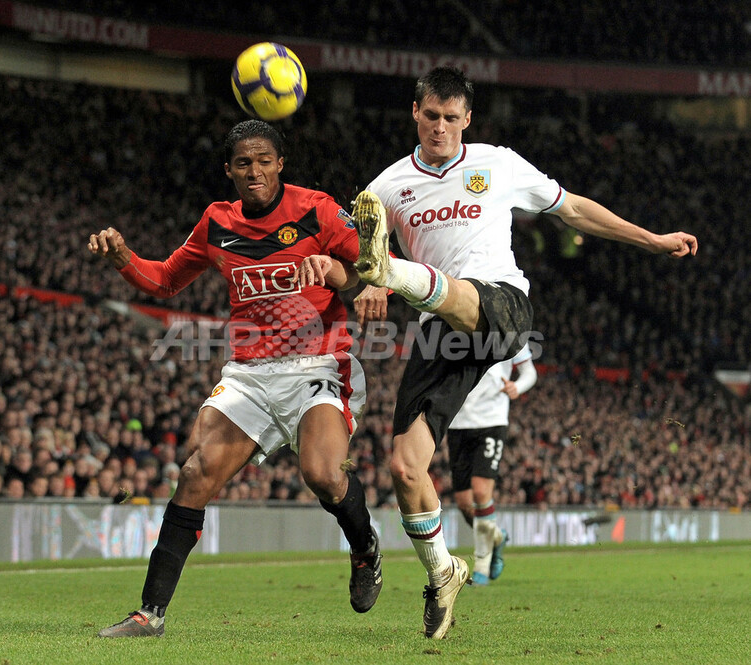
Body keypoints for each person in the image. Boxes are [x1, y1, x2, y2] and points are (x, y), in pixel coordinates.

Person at [349, 66, 697, 639]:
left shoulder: (499, 164)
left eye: (451, 118)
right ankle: (443, 572)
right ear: (415, 112)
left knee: (432, 285)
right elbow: (348, 252)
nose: (440, 127)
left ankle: (395, 273)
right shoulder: (385, 189)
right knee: (406, 467)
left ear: (468, 119)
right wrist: (361, 279)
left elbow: (573, 209)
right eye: (431, 116)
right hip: (441, 331)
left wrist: (652, 239)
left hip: (502, 305)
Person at [89, 119, 382, 638]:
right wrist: (124, 260)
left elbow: (372, 267)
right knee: (195, 471)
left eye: (264, 160)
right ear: (228, 169)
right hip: (249, 374)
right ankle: (150, 614)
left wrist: (351, 278)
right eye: (244, 163)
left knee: (323, 474)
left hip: (316, 364)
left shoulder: (317, 209)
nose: (255, 171)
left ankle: (364, 549)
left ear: (281, 164)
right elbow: (166, 280)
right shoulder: (216, 222)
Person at [447, 343, 537, 586]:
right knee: (465, 503)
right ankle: (497, 537)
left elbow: (529, 372)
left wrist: (517, 386)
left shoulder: (510, 329)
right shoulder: (454, 327)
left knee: (480, 492)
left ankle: (482, 566)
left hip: (491, 420)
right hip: (457, 421)